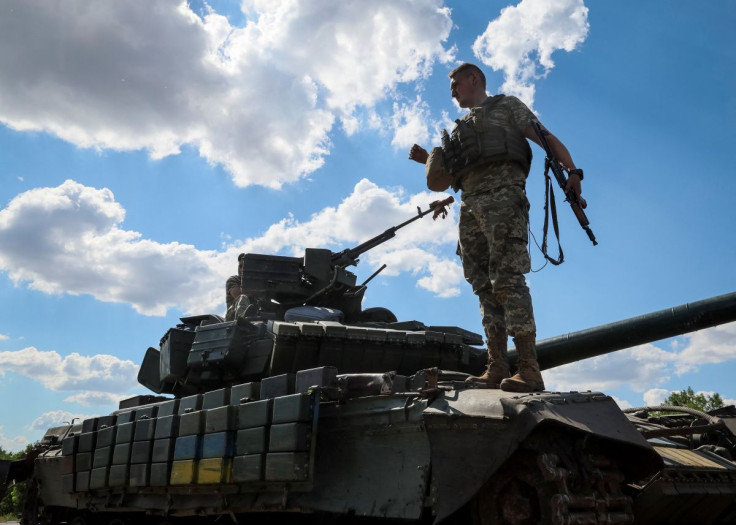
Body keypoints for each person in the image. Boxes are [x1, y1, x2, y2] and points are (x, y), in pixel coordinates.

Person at [409, 63, 586, 393]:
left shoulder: (507, 106)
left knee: (507, 278)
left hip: (504, 197)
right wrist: (427, 160)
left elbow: (544, 138)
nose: (452, 91)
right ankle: (497, 366)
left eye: (455, 84)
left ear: (473, 78)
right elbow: (449, 176)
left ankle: (529, 369)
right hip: (470, 206)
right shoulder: (460, 128)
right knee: (483, 286)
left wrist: (574, 171)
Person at [225, 253, 255, 321]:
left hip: (255, 314)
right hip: (232, 317)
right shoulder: (233, 280)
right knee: (243, 297)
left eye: (245, 267)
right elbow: (237, 294)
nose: (242, 270)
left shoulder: (259, 283)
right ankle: (241, 320)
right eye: (240, 266)